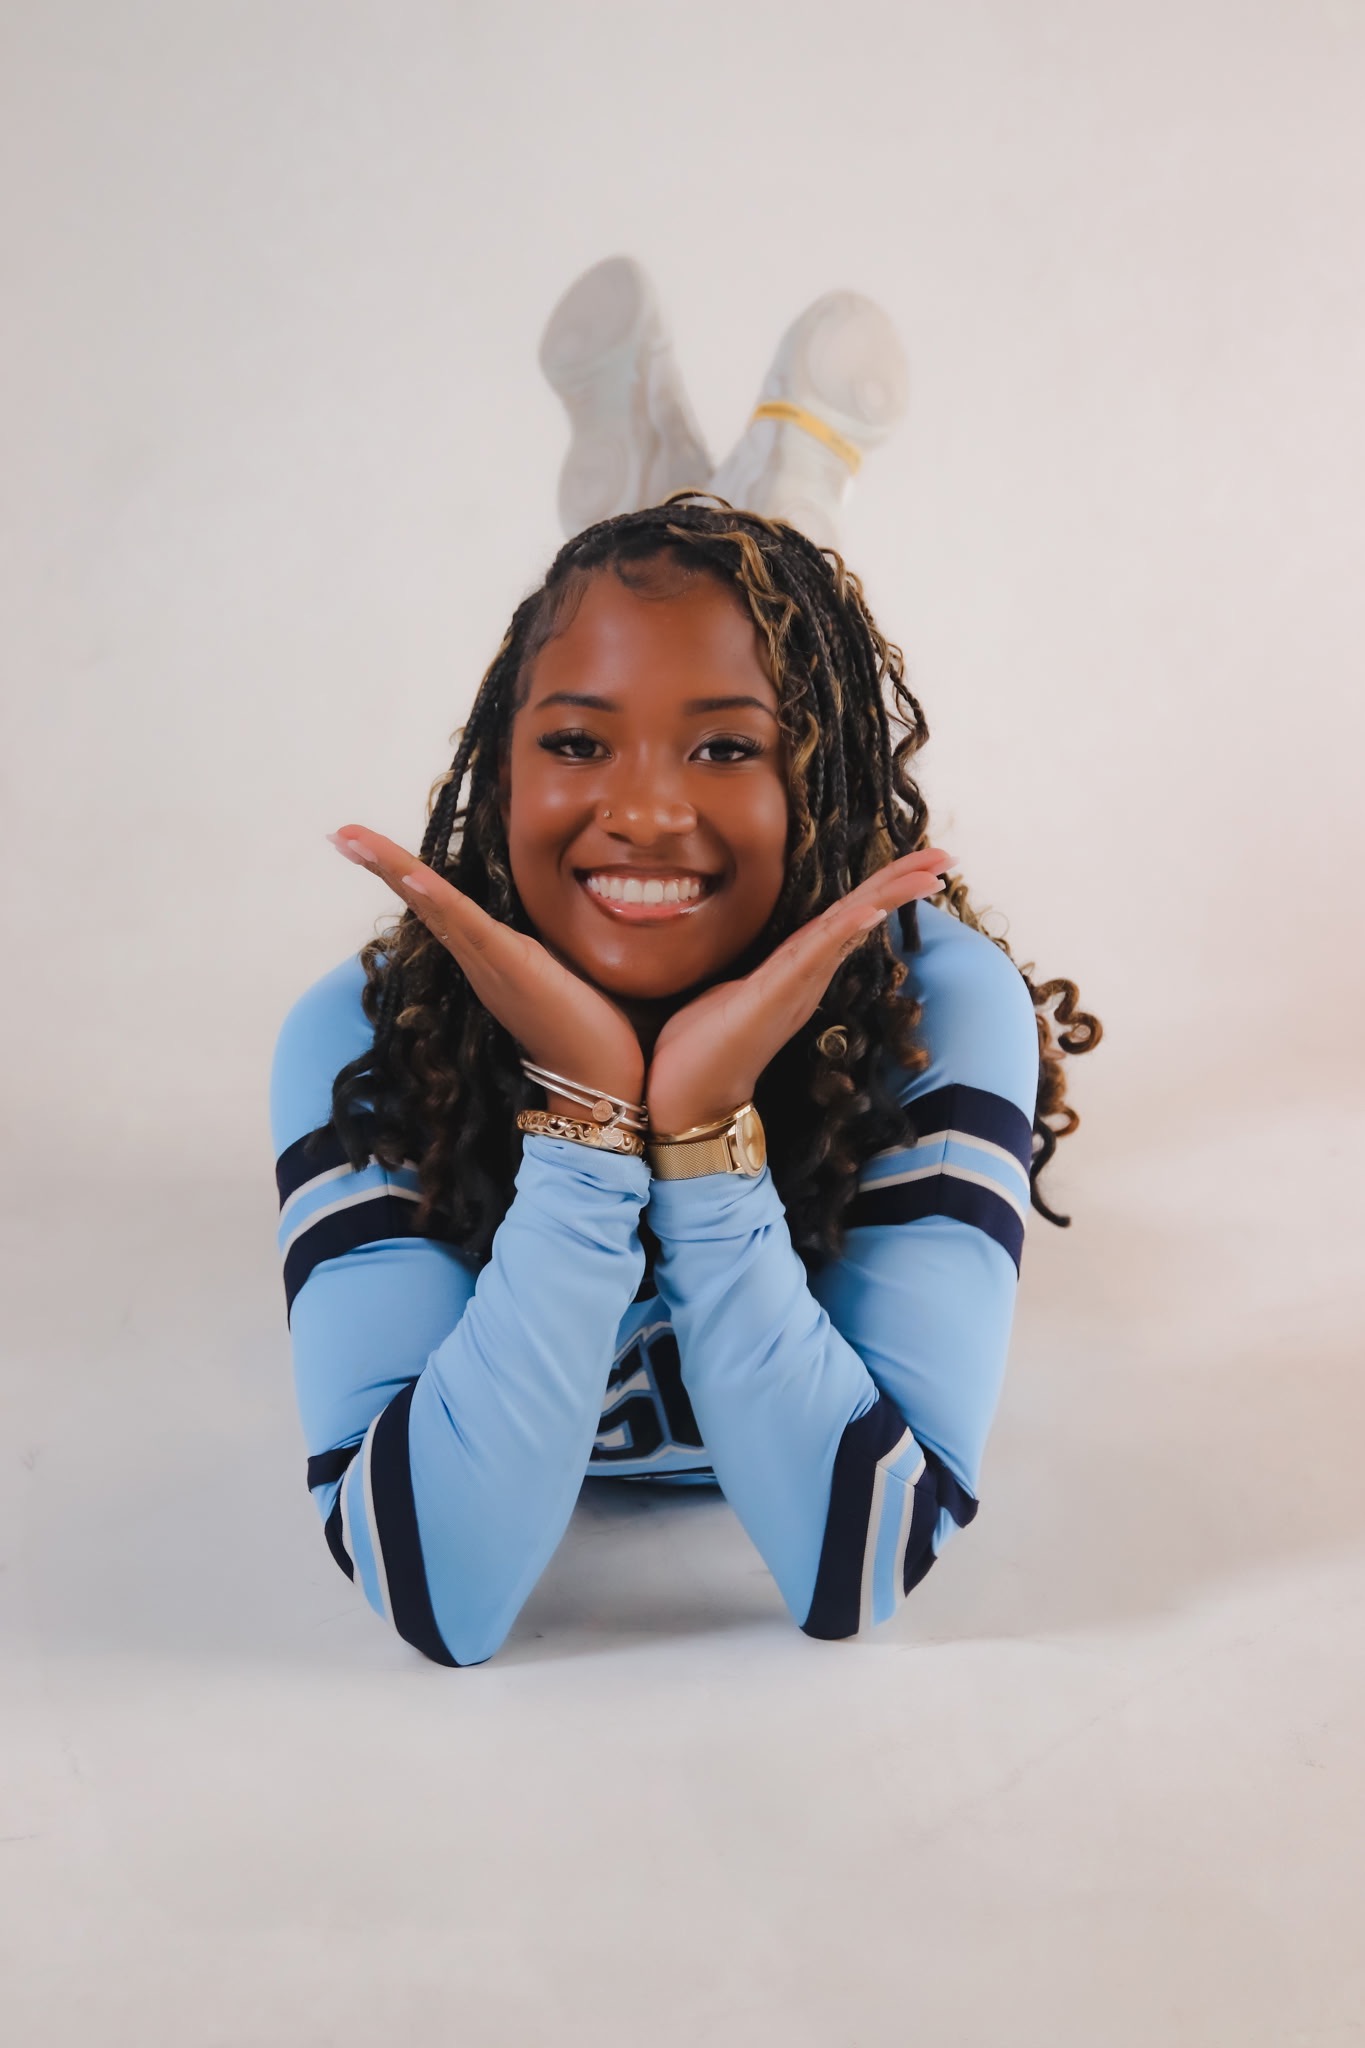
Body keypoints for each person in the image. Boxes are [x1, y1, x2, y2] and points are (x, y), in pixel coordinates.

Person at [269, 493, 1100, 1668]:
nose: (649, 814)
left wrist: (705, 1136)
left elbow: (862, 1557)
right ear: (500, 777)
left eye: (725, 746)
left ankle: (782, 465)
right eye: (576, 742)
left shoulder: (933, 1012)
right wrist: (588, 1119)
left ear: (815, 781)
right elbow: (436, 1591)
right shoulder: (365, 1038)